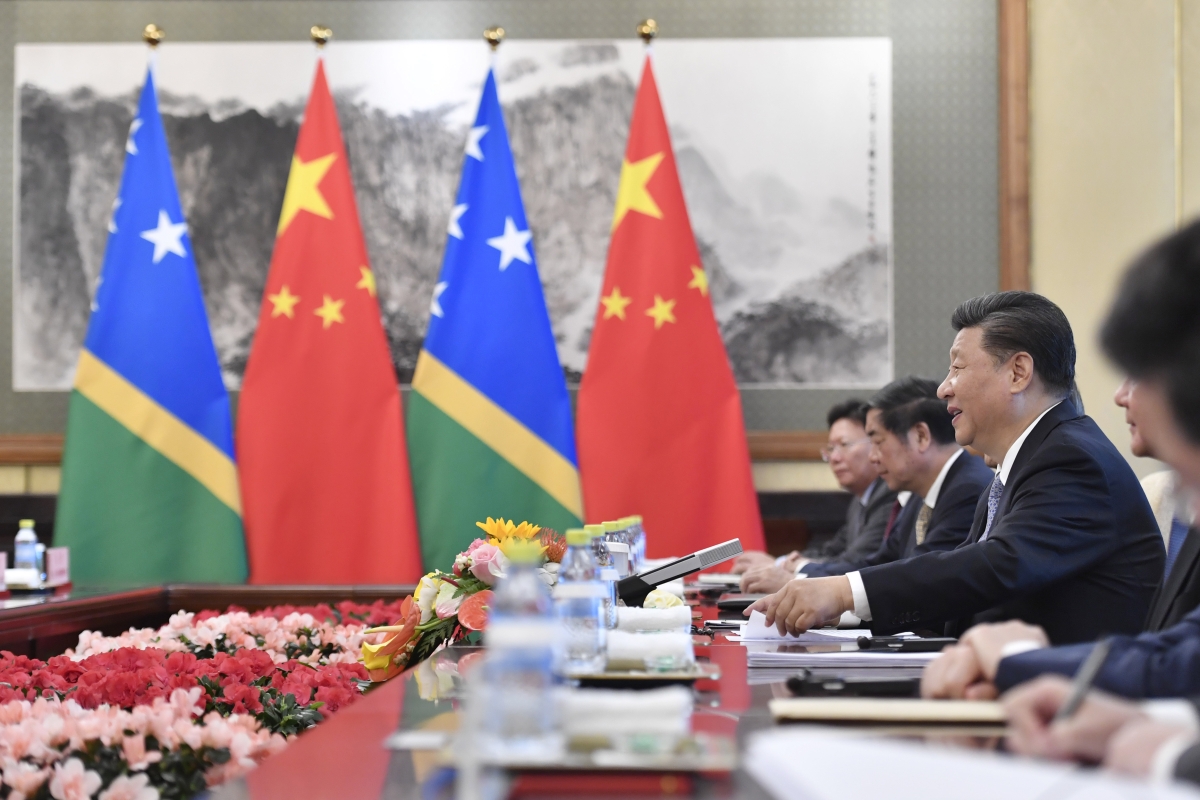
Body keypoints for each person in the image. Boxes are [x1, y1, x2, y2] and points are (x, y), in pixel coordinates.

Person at [746, 291, 1163, 644]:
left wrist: (843, 592)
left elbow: (995, 567)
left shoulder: (1072, 459)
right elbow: (963, 580)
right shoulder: (1027, 460)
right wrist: (846, 613)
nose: (944, 387)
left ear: (1018, 372)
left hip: (1064, 709)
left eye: (958, 367)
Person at [944, 220, 1200, 785]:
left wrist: (1159, 750)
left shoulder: (1071, 455)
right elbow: (1184, 654)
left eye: (1141, 374)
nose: (1120, 396)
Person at [739, 377, 991, 595]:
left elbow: (920, 578)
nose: (873, 457)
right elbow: (879, 564)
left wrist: (799, 582)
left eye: (878, 442)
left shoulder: (968, 491)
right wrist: (802, 582)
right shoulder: (920, 495)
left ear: (921, 437)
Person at [732, 400, 895, 574]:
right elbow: (829, 552)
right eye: (831, 449)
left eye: (844, 444)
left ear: (875, 443)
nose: (834, 458)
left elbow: (853, 563)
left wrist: (778, 566)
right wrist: (779, 562)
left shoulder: (890, 497)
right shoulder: (861, 499)